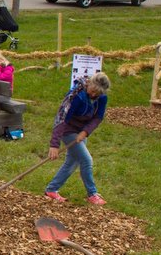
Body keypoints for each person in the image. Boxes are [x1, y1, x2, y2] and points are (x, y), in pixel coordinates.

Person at [45, 71, 111, 205]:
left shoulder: (102, 97)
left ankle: (51, 190)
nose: (93, 95)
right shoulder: (75, 96)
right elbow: (61, 118)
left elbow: (98, 117)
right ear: (89, 83)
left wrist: (86, 132)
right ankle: (92, 194)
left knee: (72, 162)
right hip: (68, 130)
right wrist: (54, 144)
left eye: (96, 94)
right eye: (92, 91)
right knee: (87, 160)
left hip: (81, 131)